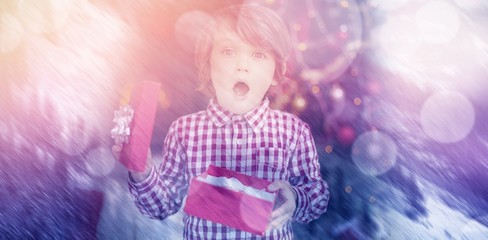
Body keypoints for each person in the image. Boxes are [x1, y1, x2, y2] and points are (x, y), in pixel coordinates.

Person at [112, 4, 329, 239]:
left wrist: (298, 199)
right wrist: (142, 173)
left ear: (277, 72)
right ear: (207, 66)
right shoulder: (185, 131)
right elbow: (162, 206)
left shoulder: (293, 131)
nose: (241, 66)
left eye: (258, 54)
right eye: (228, 51)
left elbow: (316, 195)